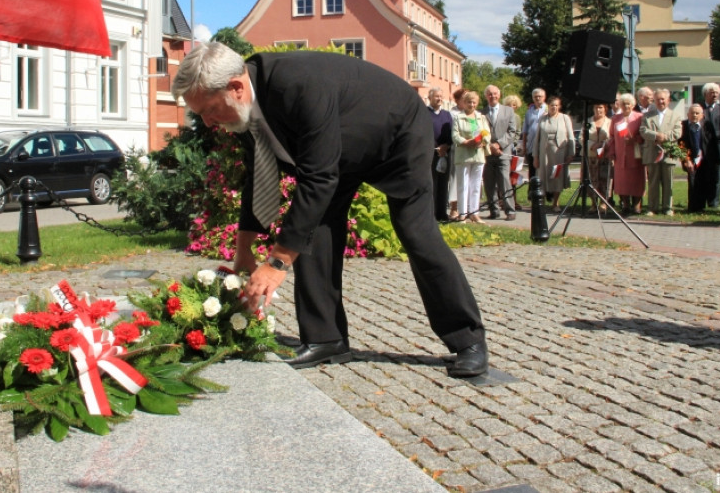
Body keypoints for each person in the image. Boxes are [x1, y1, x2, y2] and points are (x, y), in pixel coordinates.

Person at [171, 43, 488, 377]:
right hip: (341, 149)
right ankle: (327, 339)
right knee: (313, 225)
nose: (206, 122)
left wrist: (277, 262)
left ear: (235, 87)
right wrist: (244, 250)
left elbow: (319, 178)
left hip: (397, 135)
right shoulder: (245, 107)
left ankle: (469, 340)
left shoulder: (296, 85)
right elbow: (258, 173)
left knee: (416, 232)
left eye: (207, 110)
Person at [640, 89, 683, 215]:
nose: (661, 101)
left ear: (668, 100)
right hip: (652, 153)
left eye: (663, 99)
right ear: (654, 101)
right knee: (653, 182)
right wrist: (656, 135)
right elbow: (643, 131)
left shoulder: (675, 115)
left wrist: (664, 136)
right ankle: (652, 207)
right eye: (658, 99)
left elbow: (678, 132)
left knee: (668, 181)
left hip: (668, 153)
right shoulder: (647, 116)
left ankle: (668, 207)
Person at [480, 85, 519, 220]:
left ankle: (510, 210)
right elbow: (479, 132)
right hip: (487, 152)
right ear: (486, 96)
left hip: (503, 152)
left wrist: (499, 144)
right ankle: (494, 210)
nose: (493, 96)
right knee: (489, 183)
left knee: (504, 181)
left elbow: (512, 131)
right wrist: (490, 145)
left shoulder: (508, 111)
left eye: (495, 94)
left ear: (499, 95)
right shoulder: (481, 112)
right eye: (490, 94)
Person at [452, 91, 490, 224]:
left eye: (474, 102)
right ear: (464, 103)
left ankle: (474, 213)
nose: (471, 105)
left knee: (476, 185)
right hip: (463, 154)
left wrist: (482, 141)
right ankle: (462, 213)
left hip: (478, 154)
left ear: (477, 103)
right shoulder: (458, 117)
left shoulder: (481, 117)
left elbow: (487, 134)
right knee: (463, 184)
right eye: (469, 102)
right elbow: (455, 135)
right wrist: (466, 142)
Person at [605, 93, 645, 214]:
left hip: (635, 155)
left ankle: (637, 204)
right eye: (623, 104)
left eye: (628, 103)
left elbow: (643, 135)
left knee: (636, 181)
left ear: (632, 105)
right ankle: (625, 204)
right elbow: (611, 137)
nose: (626, 106)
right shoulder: (615, 119)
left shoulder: (639, 117)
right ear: (620, 105)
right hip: (620, 155)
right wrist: (611, 151)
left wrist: (635, 139)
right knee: (622, 182)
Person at [536, 96, 573, 210]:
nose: (554, 107)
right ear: (548, 106)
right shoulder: (543, 118)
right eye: (552, 105)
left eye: (556, 105)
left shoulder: (564, 118)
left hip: (559, 152)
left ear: (559, 106)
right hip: (545, 151)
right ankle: (541, 202)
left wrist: (571, 153)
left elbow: (571, 135)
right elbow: (537, 138)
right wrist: (535, 156)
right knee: (543, 175)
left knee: (557, 175)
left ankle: (556, 202)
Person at [679, 104, 714, 212]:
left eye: (697, 113)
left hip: (704, 158)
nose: (694, 115)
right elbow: (681, 144)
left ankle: (701, 206)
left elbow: (710, 142)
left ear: (702, 115)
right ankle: (692, 206)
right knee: (692, 181)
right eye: (692, 113)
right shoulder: (683, 126)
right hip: (690, 157)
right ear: (687, 114)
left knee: (703, 181)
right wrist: (686, 159)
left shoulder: (707, 125)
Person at [427, 87, 453, 222]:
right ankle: (430, 214)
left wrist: (446, 146)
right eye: (436, 96)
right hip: (430, 153)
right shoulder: (424, 113)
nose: (439, 99)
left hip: (445, 154)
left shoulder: (447, 115)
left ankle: (442, 213)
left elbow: (451, 133)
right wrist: (434, 147)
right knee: (432, 184)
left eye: (441, 96)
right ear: (430, 97)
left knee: (443, 184)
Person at [700, 83, 720, 208]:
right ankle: (702, 201)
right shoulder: (699, 109)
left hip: (717, 148)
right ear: (705, 94)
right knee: (704, 176)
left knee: (716, 177)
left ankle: (714, 202)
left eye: (716, 92)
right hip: (703, 148)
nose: (715, 94)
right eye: (712, 92)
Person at [585, 102, 612, 212]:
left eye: (600, 107)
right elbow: (582, 138)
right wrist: (592, 146)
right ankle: (593, 203)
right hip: (591, 156)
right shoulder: (588, 122)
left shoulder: (610, 122)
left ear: (605, 109)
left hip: (605, 156)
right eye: (596, 107)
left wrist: (602, 144)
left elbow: (612, 137)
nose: (598, 110)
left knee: (604, 179)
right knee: (592, 179)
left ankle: (603, 203)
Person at [447, 88, 466, 220]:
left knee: (467, 180)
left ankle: (467, 209)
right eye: (464, 98)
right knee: (455, 179)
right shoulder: (452, 114)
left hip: (470, 151)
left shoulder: (473, 113)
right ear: (458, 100)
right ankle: (454, 208)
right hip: (457, 149)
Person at [522, 88, 547, 178]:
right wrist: (524, 147)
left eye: (540, 96)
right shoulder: (529, 112)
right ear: (533, 98)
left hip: (544, 146)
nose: (537, 98)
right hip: (531, 147)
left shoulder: (548, 110)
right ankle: (532, 191)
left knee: (543, 171)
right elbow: (525, 130)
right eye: (535, 96)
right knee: (532, 172)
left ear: (544, 97)